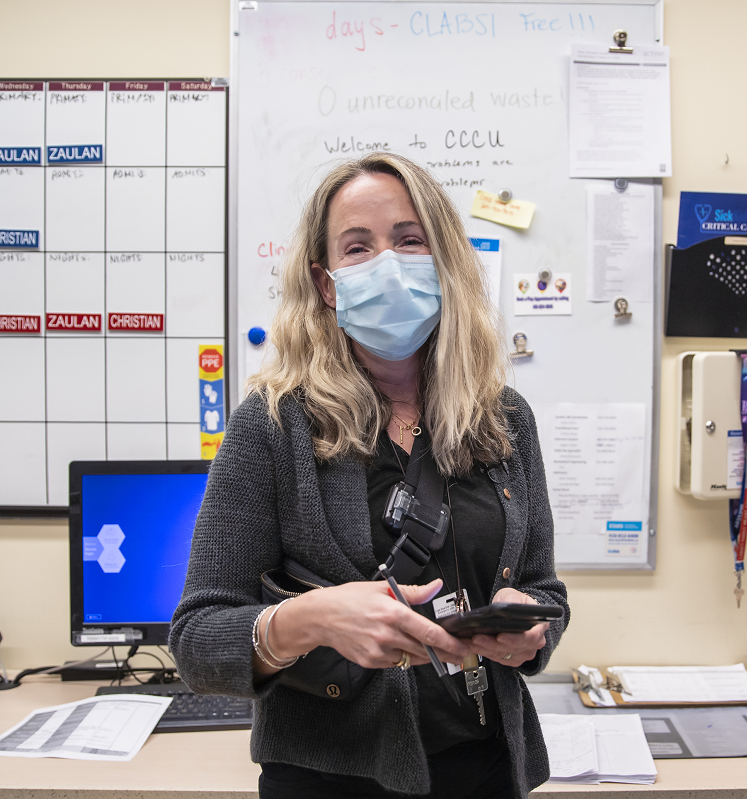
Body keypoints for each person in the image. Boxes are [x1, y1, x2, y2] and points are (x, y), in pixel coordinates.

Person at [169, 152, 568, 799]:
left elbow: (545, 589)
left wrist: (532, 631)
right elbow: (195, 640)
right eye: (358, 247)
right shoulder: (273, 424)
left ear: (445, 261)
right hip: (328, 779)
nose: (387, 262)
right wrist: (309, 619)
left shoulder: (505, 420)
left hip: (489, 770)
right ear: (327, 285)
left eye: (410, 240)